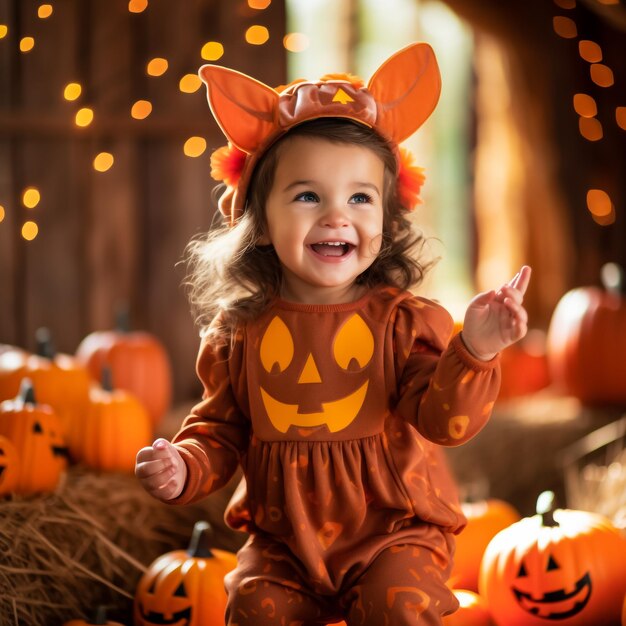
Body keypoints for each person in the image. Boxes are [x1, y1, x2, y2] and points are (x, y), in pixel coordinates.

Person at [135, 43, 531, 625]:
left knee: (397, 604)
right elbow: (221, 431)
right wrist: (186, 465)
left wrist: (475, 349)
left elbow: (444, 424)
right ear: (261, 223)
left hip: (391, 532)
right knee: (254, 607)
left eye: (359, 198)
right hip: (283, 545)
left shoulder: (400, 322)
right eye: (307, 196)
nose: (336, 215)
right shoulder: (239, 333)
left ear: (386, 221)